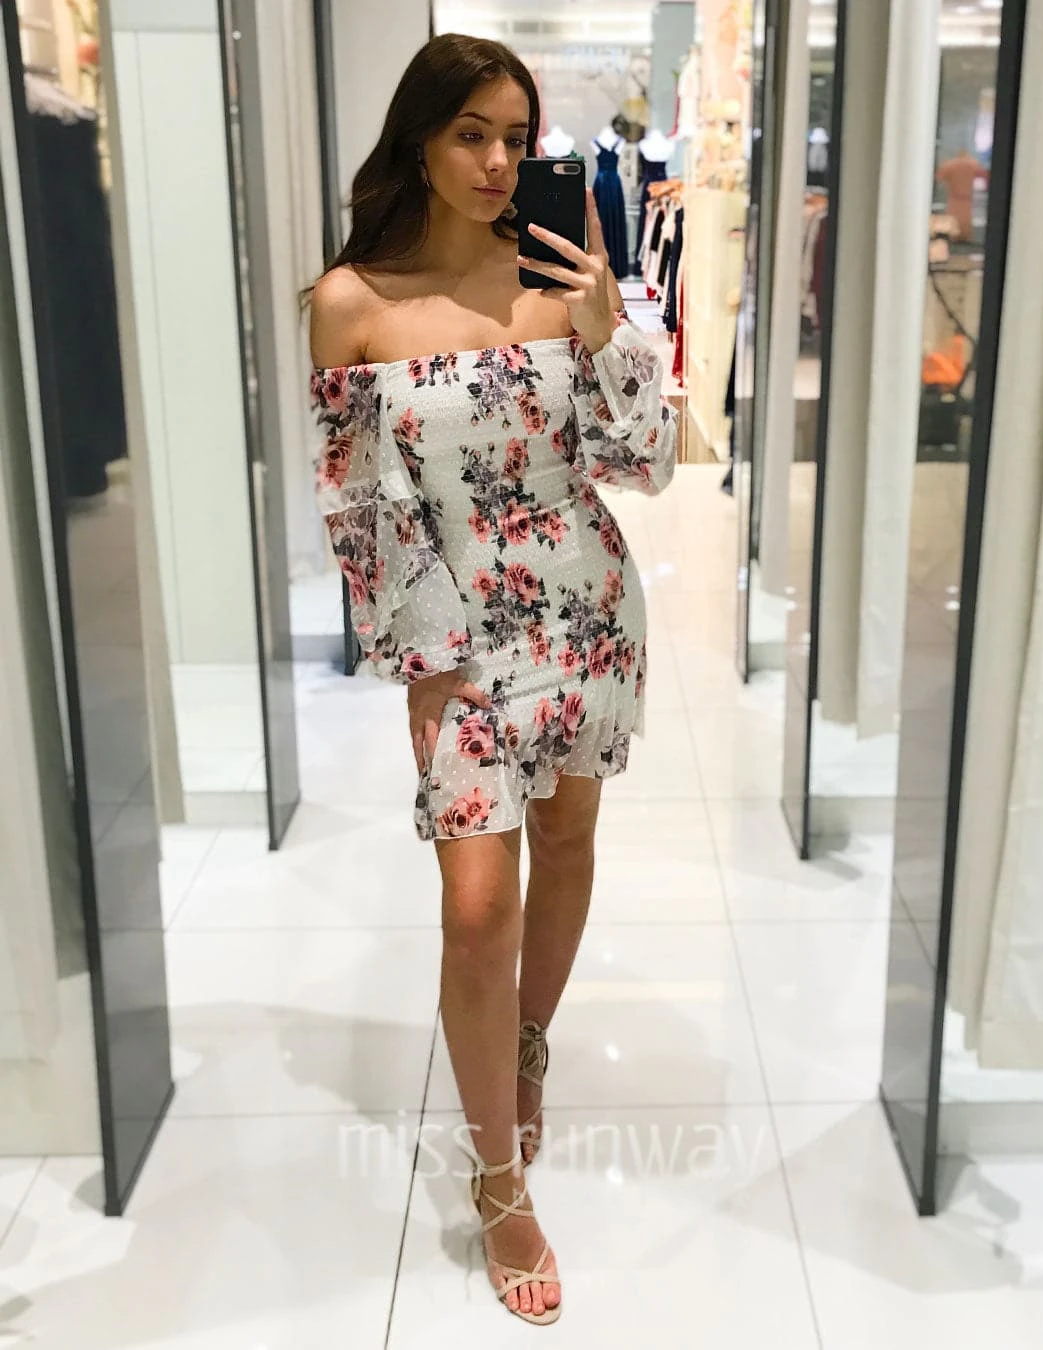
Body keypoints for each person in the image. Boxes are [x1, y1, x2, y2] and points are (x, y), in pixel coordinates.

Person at [308, 33, 677, 1327]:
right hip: (458, 640)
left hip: (585, 608)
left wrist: (611, 335)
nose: (498, 160)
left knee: (568, 838)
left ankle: (529, 1040)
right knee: (475, 908)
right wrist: (425, 658)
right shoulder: (352, 302)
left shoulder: (554, 279)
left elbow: (644, 463)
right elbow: (361, 506)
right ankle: (499, 1182)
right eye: (472, 132)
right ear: (419, 139)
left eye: (516, 136)